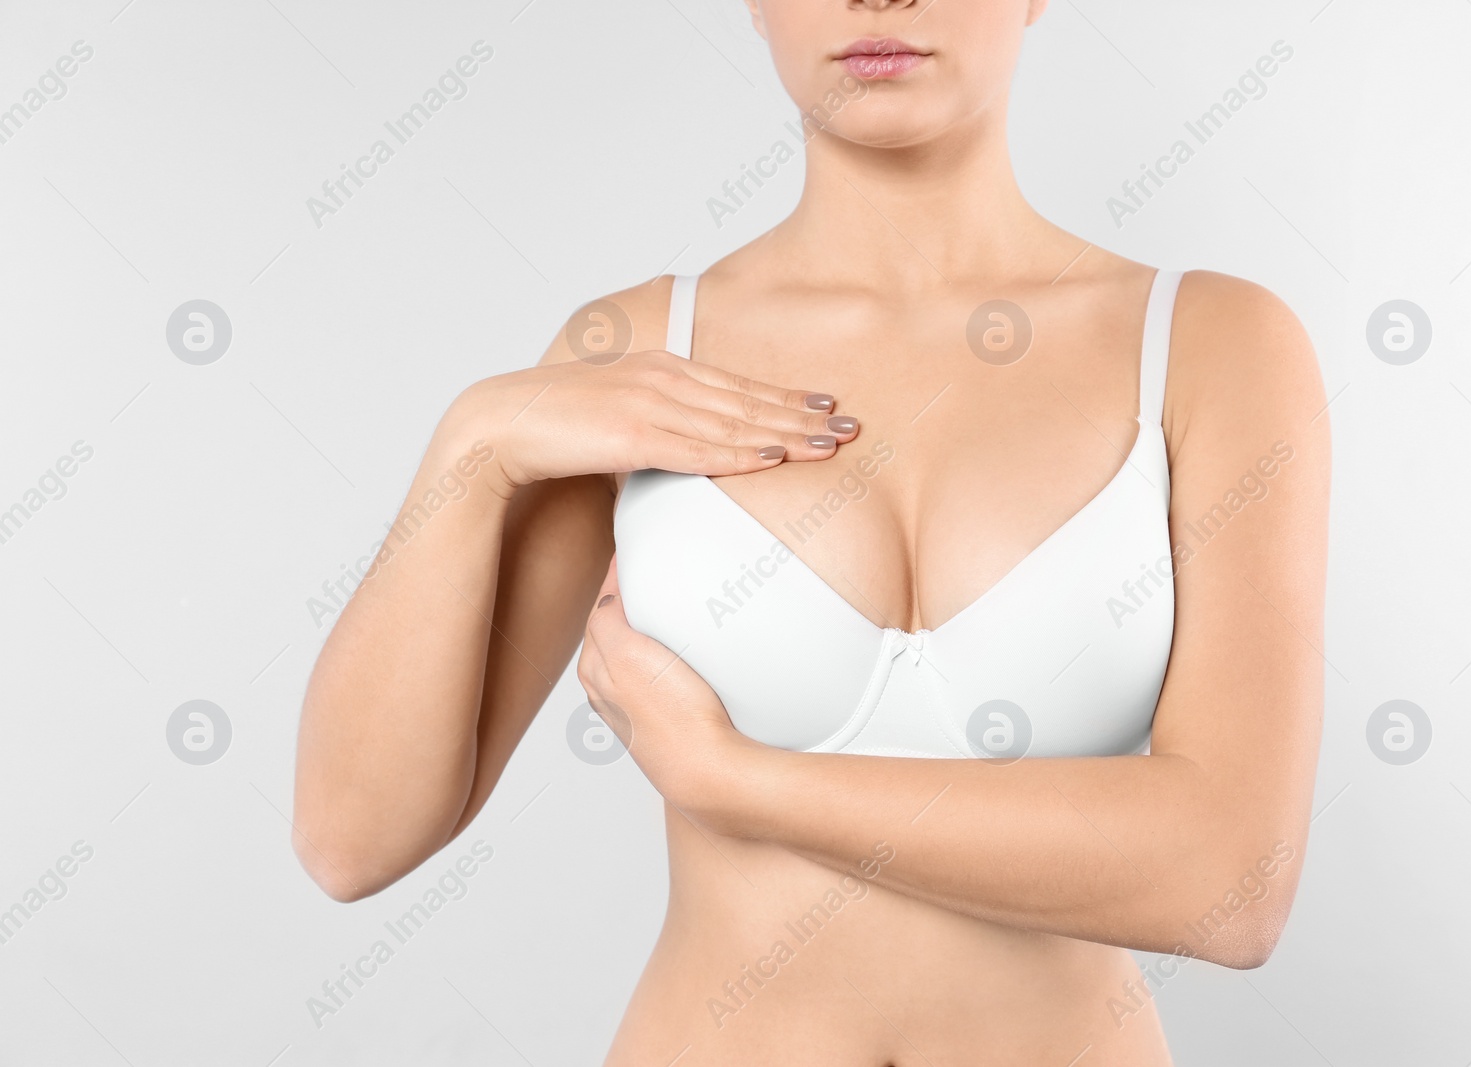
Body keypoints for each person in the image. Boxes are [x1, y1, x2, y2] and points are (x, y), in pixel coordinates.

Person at [293, 1, 1330, 1062]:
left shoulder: (1210, 347)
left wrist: (730, 779)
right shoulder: (641, 354)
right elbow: (352, 840)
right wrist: (473, 445)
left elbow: (1231, 880)